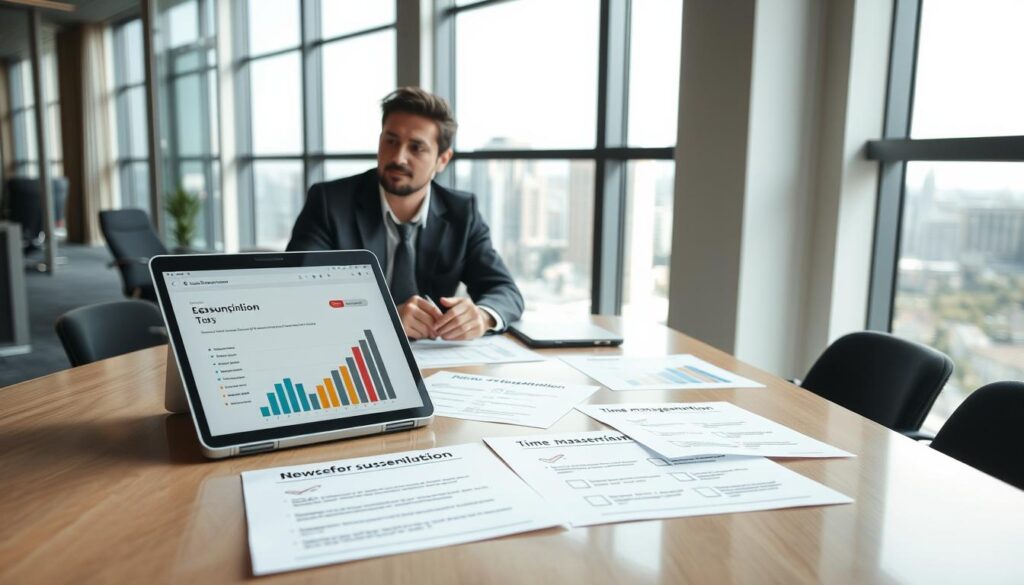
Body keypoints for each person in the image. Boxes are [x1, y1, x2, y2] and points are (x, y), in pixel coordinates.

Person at [287, 87, 524, 341]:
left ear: (443, 159)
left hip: (435, 362)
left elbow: (505, 290)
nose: (398, 157)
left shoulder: (461, 212)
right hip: (350, 349)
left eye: (416, 148)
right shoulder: (329, 202)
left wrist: (482, 316)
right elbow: (299, 291)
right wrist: (384, 317)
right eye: (390, 141)